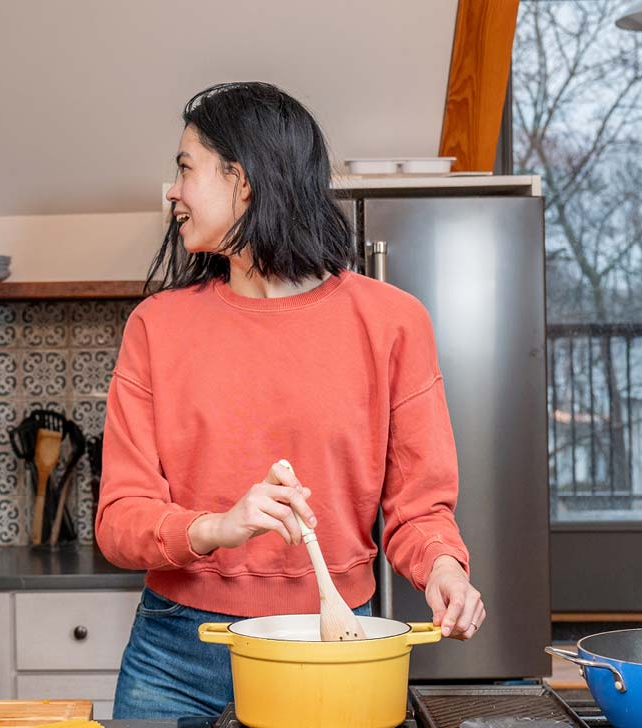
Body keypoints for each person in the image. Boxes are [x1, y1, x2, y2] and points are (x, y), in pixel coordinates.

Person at [94, 82, 486, 719]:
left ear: (241, 180)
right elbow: (119, 519)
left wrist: (444, 569)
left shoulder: (392, 322)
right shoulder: (156, 327)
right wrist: (218, 526)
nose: (173, 190)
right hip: (175, 656)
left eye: (185, 169)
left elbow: (418, 507)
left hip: (332, 648)